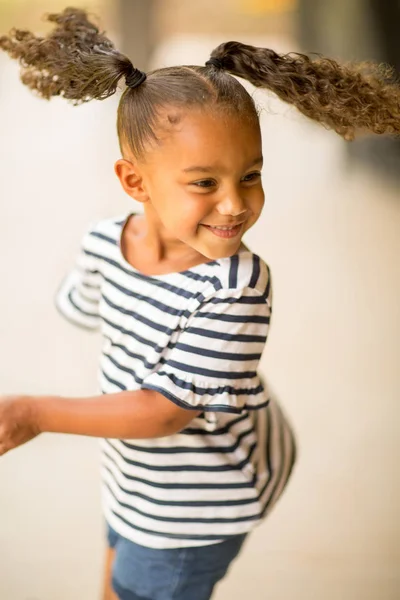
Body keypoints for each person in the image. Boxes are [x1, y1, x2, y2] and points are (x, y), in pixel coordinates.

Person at [0, 7, 398, 600]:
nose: (235, 204)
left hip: (196, 505)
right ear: (135, 182)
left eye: (251, 175)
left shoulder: (238, 286)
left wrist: (35, 413)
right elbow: (80, 308)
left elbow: (165, 411)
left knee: (143, 584)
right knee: (117, 573)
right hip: (133, 476)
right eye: (205, 183)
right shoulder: (103, 243)